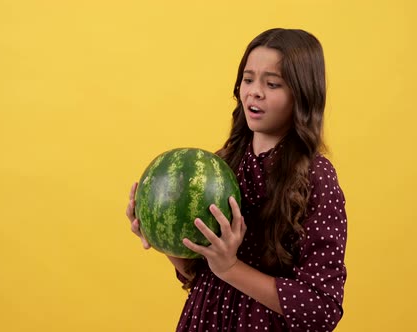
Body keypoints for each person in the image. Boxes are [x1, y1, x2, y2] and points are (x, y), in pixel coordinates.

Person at [125, 28, 347, 331]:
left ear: (303, 94)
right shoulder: (223, 163)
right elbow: (199, 274)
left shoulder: (316, 178)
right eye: (248, 79)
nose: (255, 91)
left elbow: (321, 310)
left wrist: (230, 267)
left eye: (272, 83)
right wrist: (162, 236)